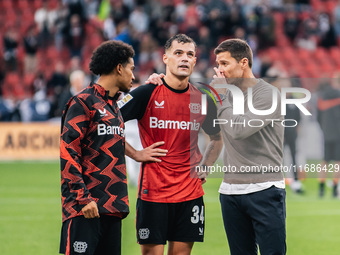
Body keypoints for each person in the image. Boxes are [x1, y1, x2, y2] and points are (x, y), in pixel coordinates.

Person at [119, 34, 222, 255]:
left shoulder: (202, 99)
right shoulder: (147, 92)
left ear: (195, 61)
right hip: (154, 192)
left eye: (190, 55)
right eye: (178, 53)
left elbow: (217, 137)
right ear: (165, 58)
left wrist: (205, 165)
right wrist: (135, 153)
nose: (184, 59)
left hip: (190, 193)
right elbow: (106, 124)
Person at [59, 40, 136, 255]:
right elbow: (68, 152)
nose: (133, 75)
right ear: (119, 68)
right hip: (85, 209)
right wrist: (83, 198)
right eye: (131, 69)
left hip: (112, 209)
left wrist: (137, 154)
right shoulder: (83, 102)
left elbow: (111, 143)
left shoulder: (114, 106)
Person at [212, 39, 286, 255]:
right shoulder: (226, 94)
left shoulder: (269, 95)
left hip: (264, 189)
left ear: (243, 63)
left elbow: (238, 130)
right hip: (230, 191)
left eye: (225, 64)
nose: (220, 71)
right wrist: (157, 81)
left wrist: (219, 97)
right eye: (218, 64)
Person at [317, 76, 340, 198]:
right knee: (337, 162)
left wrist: (324, 128)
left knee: (324, 161)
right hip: (338, 133)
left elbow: (318, 116)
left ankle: (321, 189)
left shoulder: (323, 94)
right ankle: (334, 189)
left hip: (326, 132)